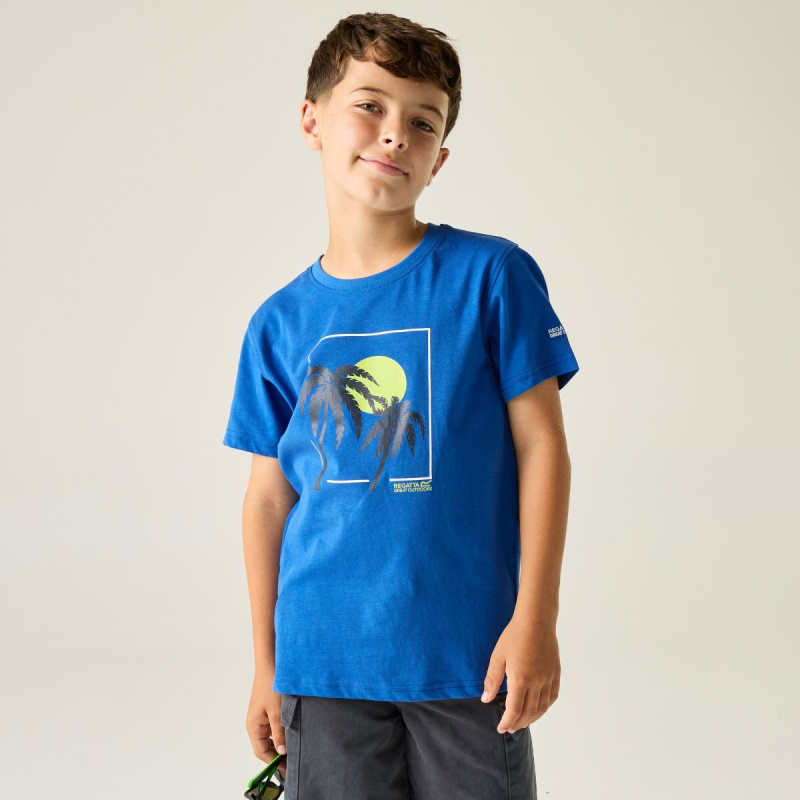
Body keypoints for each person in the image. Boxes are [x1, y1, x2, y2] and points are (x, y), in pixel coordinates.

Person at [222, 11, 579, 799]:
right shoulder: (277, 323)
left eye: (423, 122)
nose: (395, 133)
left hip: (469, 659)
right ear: (312, 121)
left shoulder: (492, 276)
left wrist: (536, 618)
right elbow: (268, 501)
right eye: (370, 105)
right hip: (323, 664)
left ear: (439, 159)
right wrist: (266, 663)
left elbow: (542, 449)